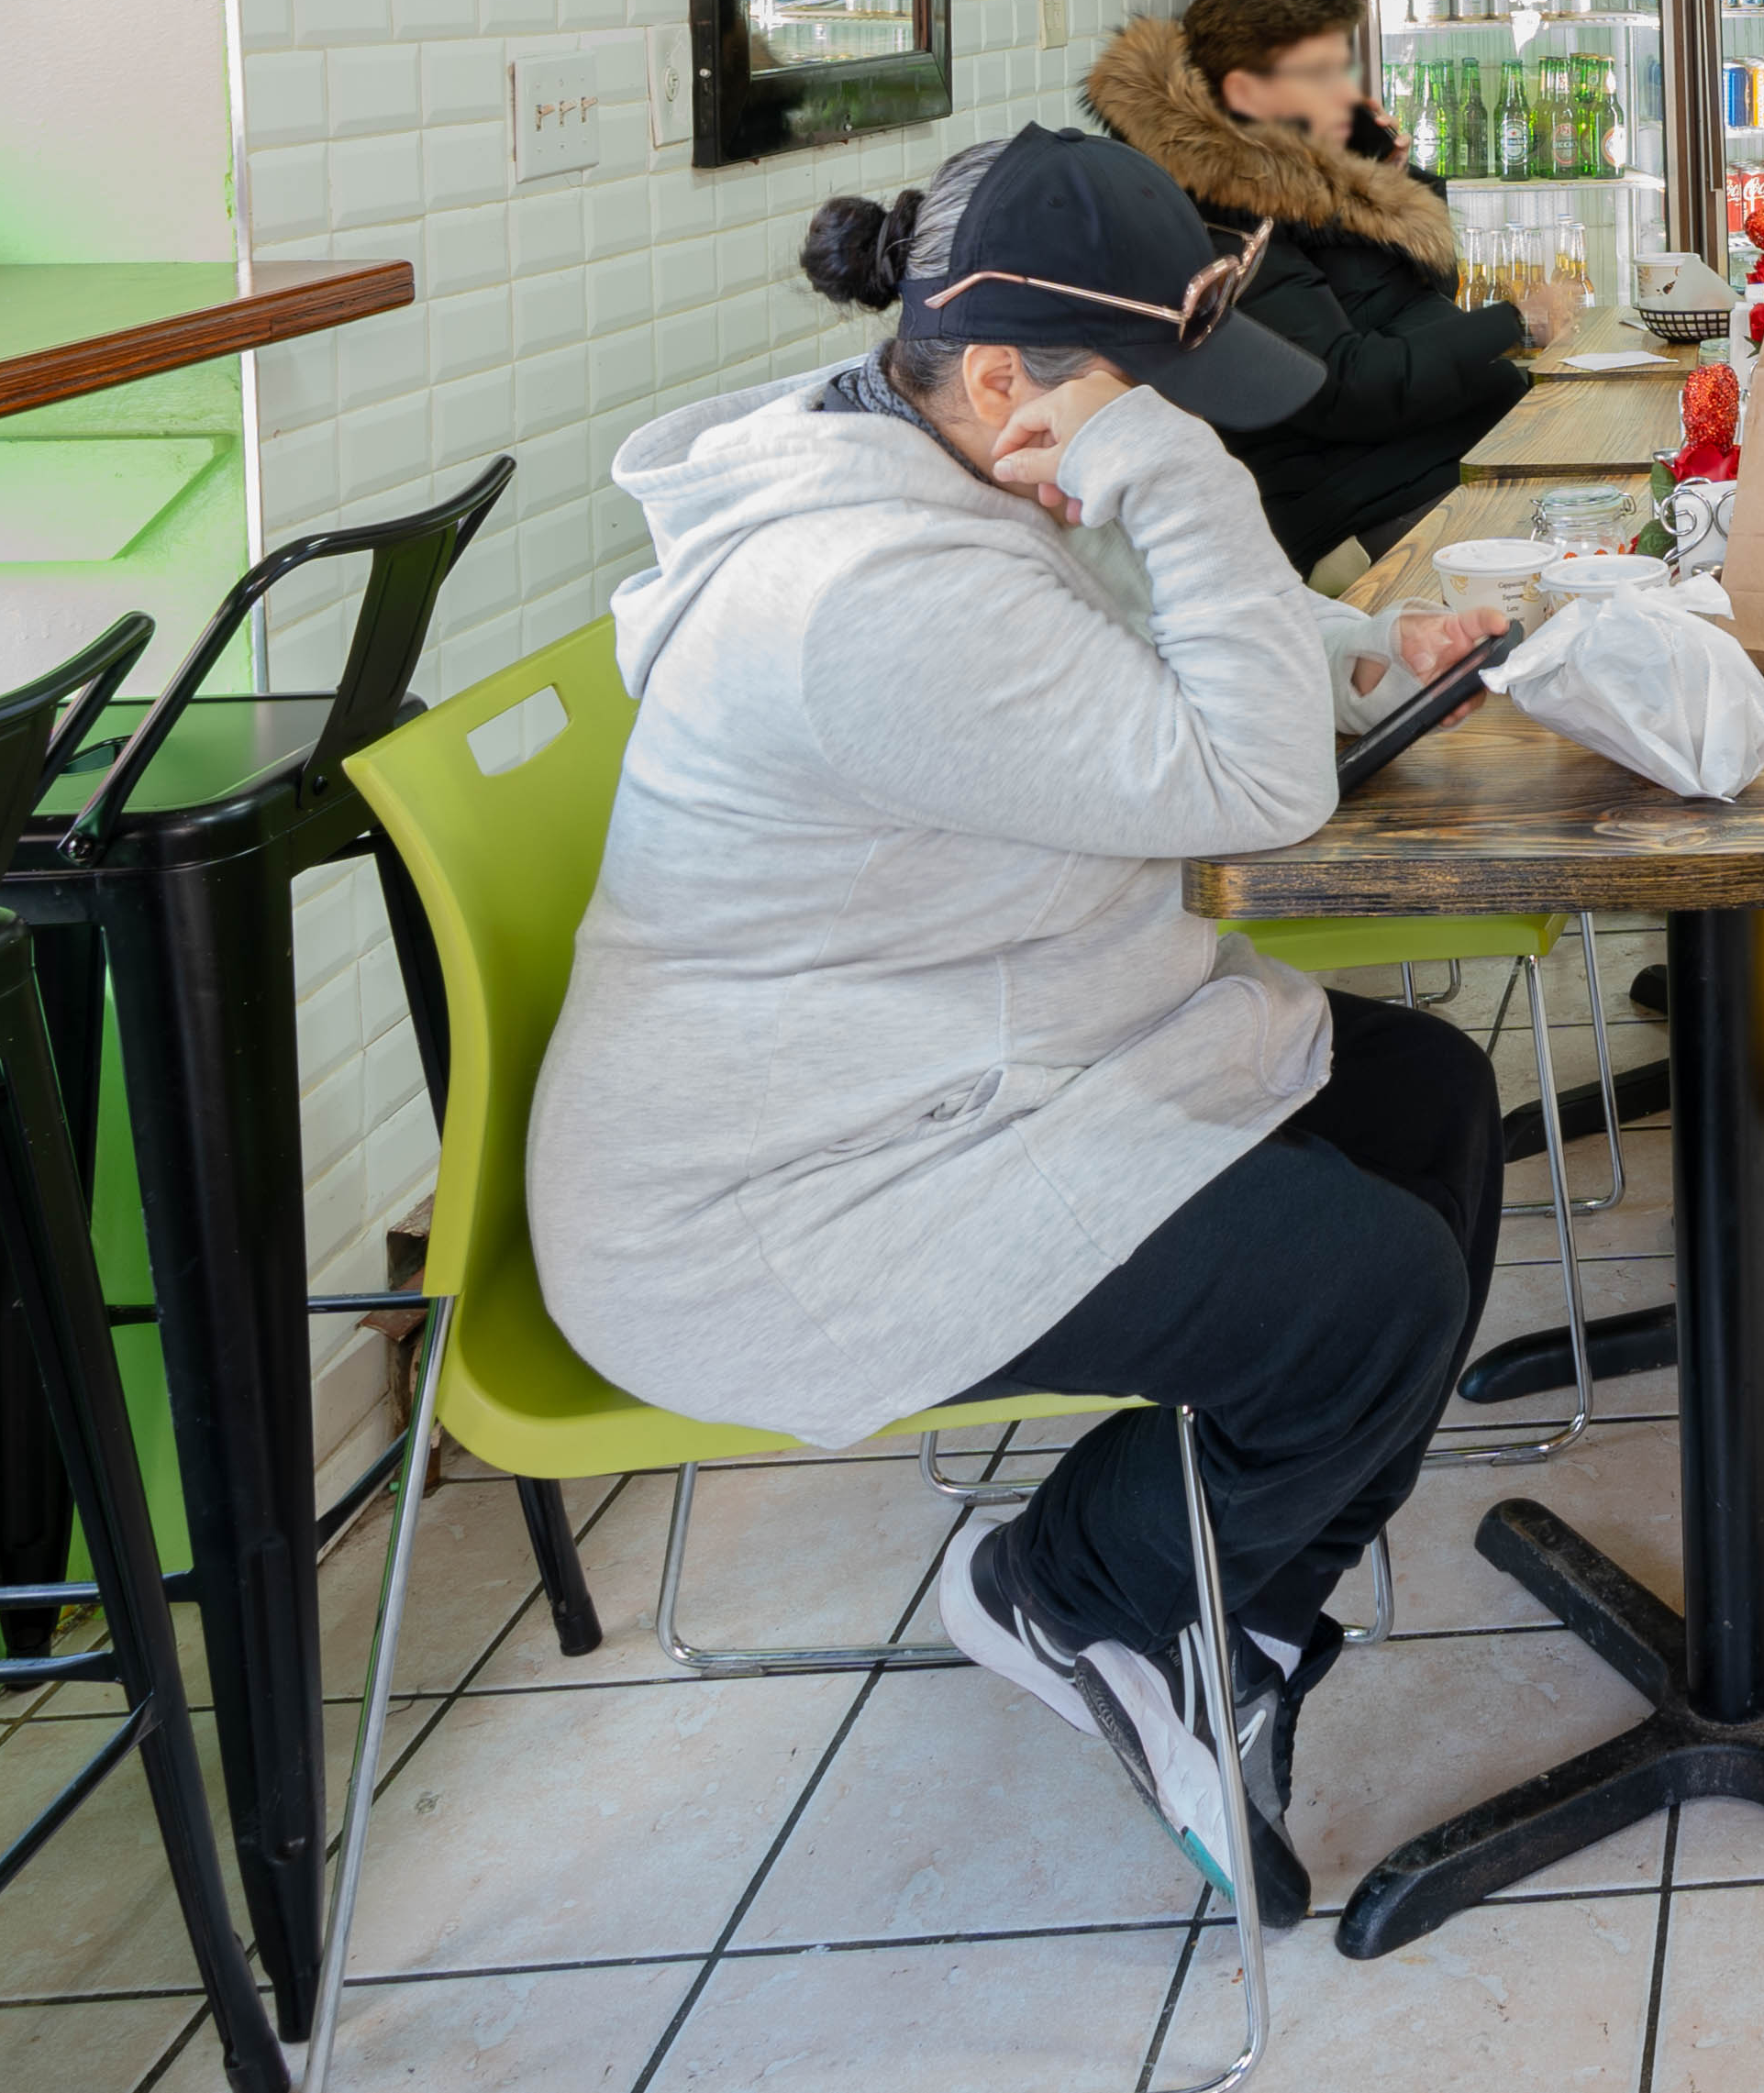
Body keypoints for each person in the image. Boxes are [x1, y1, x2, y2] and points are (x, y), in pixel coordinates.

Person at [535, 122, 1510, 1915]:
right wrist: (1172, 478)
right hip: (786, 1209)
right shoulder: (864, 592)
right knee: (1366, 1291)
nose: (1184, 435)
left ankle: (1225, 1621)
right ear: (1000, 377)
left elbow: (1132, 649)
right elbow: (1252, 784)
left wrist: (1362, 651)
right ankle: (1064, 1588)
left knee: (1423, 1096)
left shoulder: (937, 467)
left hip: (946, 1076)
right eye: (1159, 401)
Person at [1082, 0, 1582, 575]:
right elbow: (1342, 387)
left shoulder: (1299, 180)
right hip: (1372, 510)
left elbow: (1421, 295)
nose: (1347, 91)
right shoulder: (1226, 222)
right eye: (1321, 74)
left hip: (1447, 459)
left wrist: (1391, 185)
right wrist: (1515, 321)